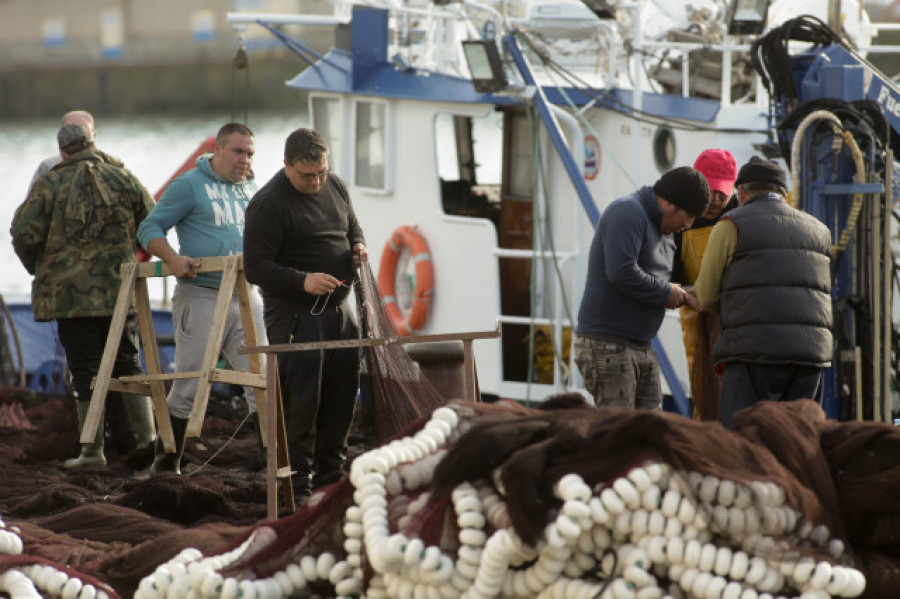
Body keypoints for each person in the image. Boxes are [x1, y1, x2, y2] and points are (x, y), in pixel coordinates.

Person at [11, 123, 156, 469]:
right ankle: (150, 442)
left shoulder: (49, 183)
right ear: (92, 143)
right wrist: (129, 253)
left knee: (84, 370)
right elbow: (152, 220)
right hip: (118, 291)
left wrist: (40, 267)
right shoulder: (124, 177)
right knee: (128, 363)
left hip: (70, 297)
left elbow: (22, 232)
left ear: (62, 151)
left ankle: (92, 452)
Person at [243, 128, 368, 503]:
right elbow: (256, 268)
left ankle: (331, 483)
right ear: (286, 166)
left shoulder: (337, 187)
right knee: (302, 405)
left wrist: (359, 246)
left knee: (342, 398)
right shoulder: (268, 203)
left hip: (339, 312)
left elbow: (352, 227)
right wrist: (303, 281)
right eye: (306, 176)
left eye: (321, 173)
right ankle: (296, 490)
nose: (316, 182)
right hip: (295, 315)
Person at [137, 122, 266, 474]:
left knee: (264, 381)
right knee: (191, 384)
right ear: (219, 150)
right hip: (202, 294)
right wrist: (174, 259)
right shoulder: (188, 185)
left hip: (246, 295)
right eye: (238, 152)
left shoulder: (252, 187)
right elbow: (148, 228)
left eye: (251, 153)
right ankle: (167, 464)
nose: (245, 160)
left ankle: (273, 461)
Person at [694, 156, 833, 429]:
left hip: (752, 353)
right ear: (783, 192)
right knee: (798, 440)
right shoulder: (820, 231)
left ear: (742, 192)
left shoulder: (730, 224)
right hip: (810, 355)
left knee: (746, 441)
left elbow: (707, 293)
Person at [574, 166, 710, 410]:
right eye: (688, 215)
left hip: (641, 344)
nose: (688, 225)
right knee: (621, 436)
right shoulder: (627, 211)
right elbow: (621, 272)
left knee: (648, 435)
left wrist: (685, 293)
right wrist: (667, 292)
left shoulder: (666, 230)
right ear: (669, 203)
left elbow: (656, 280)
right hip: (607, 343)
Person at [671, 149, 738, 422]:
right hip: (695, 319)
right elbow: (670, 273)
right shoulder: (680, 221)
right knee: (703, 394)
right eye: (711, 191)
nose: (716, 199)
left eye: (723, 192)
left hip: (733, 319)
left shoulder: (740, 216)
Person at [30, 110, 97, 190]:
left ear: (94, 135)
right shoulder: (48, 167)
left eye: (84, 134)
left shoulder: (110, 164)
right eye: (70, 131)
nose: (77, 136)